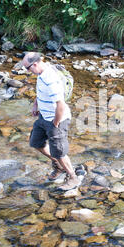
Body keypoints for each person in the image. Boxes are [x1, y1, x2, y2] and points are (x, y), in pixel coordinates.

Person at [23, 52, 80, 190]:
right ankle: (59, 165)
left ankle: (73, 178)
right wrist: (36, 105)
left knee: (59, 152)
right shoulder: (41, 72)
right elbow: (40, 92)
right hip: (44, 116)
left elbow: (60, 105)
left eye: (27, 68)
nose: (27, 71)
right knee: (36, 142)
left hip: (57, 120)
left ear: (35, 64)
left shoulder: (51, 79)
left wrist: (55, 123)